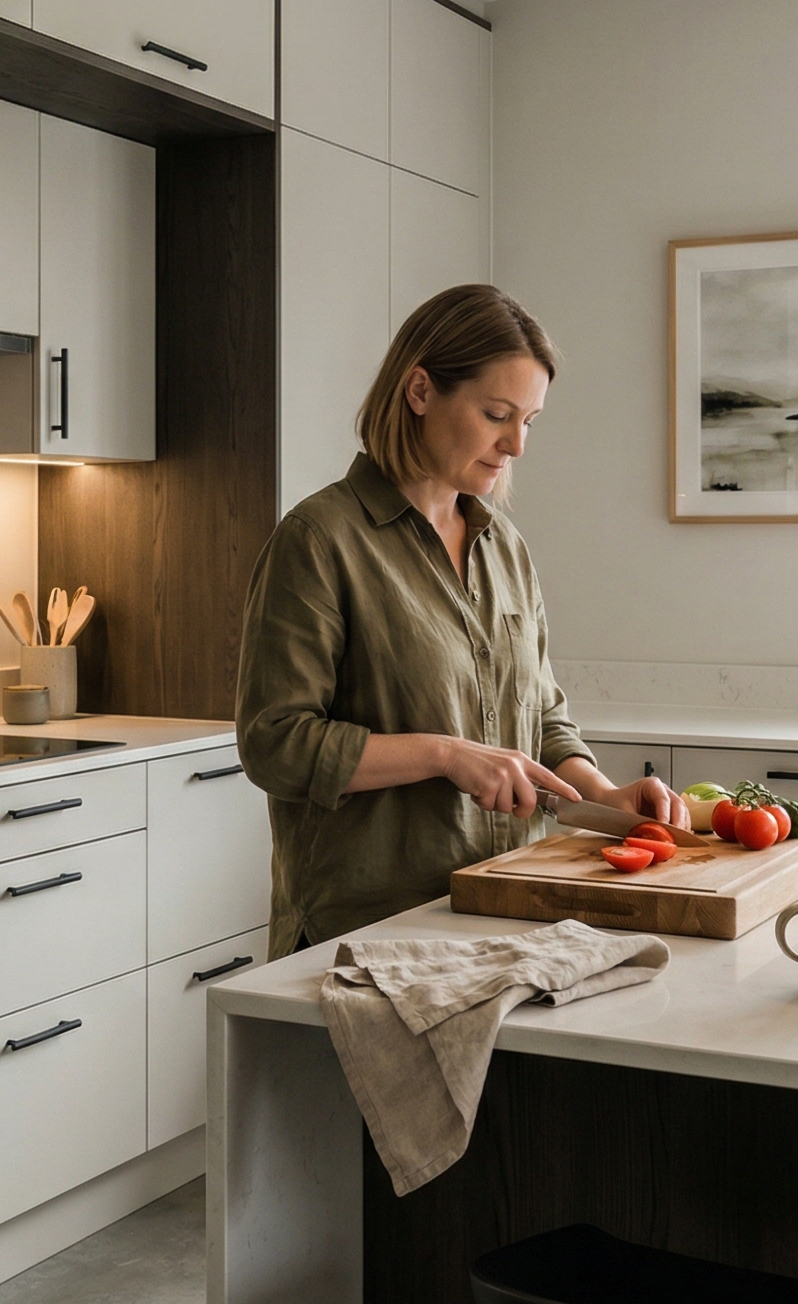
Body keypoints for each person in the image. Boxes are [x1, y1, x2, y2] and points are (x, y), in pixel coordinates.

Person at [236, 283, 687, 958]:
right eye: (497, 414)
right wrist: (445, 755)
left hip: (510, 907)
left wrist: (603, 794)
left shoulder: (504, 547)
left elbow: (542, 715)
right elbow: (274, 744)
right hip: (371, 934)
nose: (517, 444)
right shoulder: (319, 541)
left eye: (530, 421)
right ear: (420, 391)